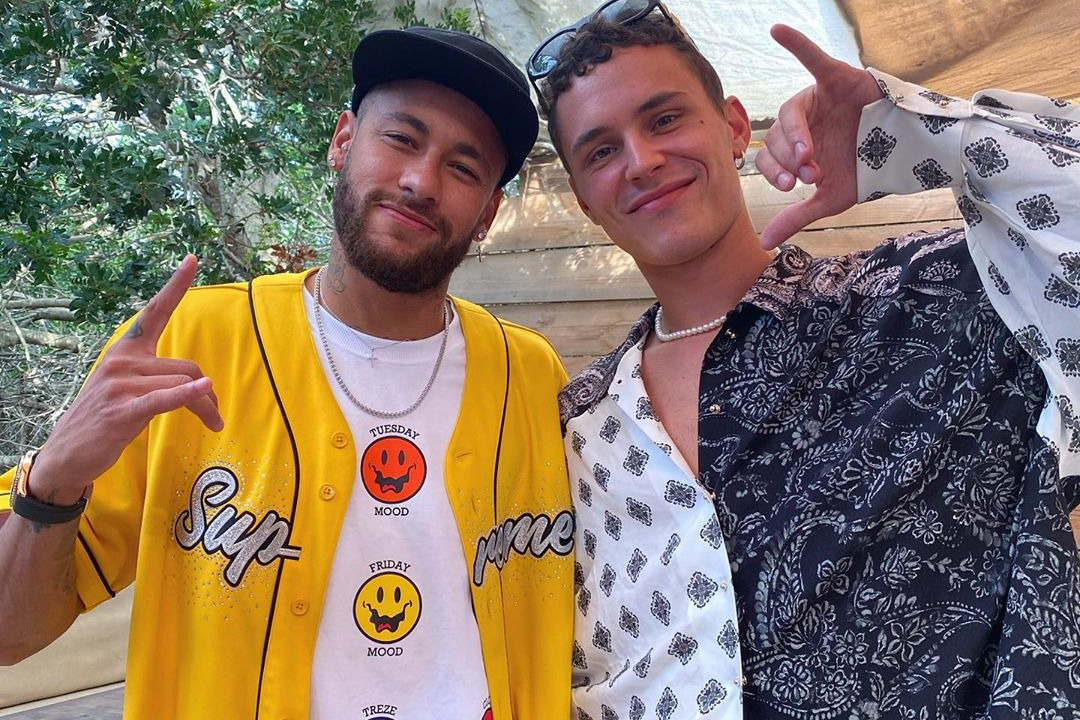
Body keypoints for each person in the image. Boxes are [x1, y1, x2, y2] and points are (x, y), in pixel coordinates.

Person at [0, 27, 574, 720]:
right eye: (401, 139)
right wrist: (53, 481)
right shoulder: (193, 346)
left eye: (464, 168)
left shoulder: (529, 376)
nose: (421, 182)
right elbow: (11, 634)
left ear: (487, 214)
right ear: (342, 142)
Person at [529, 2, 1080, 718]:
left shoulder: (938, 295)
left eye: (664, 119)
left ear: (734, 126)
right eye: (601, 152)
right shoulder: (577, 424)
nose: (641, 161)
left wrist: (912, 131)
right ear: (581, 198)